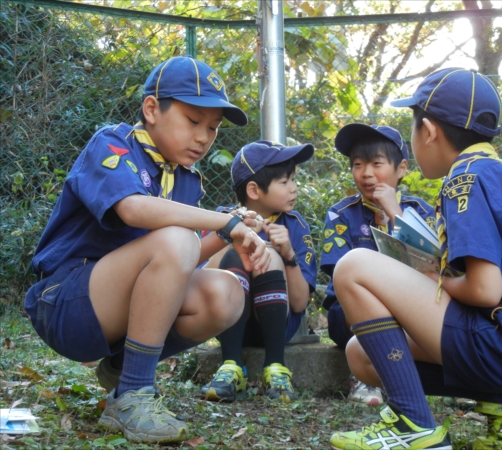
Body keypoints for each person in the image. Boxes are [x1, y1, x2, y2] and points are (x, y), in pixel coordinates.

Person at [23, 56, 271, 444]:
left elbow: (184, 260)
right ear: (152, 109)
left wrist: (228, 236)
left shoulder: (188, 181)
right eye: (193, 121)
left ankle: (121, 368)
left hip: (117, 310)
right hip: (66, 303)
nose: (204, 137)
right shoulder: (113, 143)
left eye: (213, 128)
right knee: (176, 238)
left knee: (224, 294)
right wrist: (224, 220)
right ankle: (135, 394)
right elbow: (133, 208)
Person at [329, 67, 502, 450]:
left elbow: (484, 289)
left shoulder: (465, 178)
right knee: (362, 355)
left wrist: (432, 279)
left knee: (354, 266)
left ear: (428, 131)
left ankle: (414, 425)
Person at [319, 124, 435, 406]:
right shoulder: (340, 215)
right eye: (358, 164)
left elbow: (434, 267)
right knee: (356, 299)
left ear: (401, 168)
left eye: (376, 163)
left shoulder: (420, 212)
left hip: (411, 304)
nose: (366, 173)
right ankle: (363, 377)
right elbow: (339, 273)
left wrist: (394, 213)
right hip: (351, 311)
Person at [200, 140, 317, 403]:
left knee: (270, 254)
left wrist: (288, 254)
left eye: (294, 180)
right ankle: (231, 366)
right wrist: (230, 236)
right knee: (238, 250)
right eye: (285, 182)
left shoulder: (295, 226)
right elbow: (201, 282)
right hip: (226, 320)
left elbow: (299, 303)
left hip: (277, 324)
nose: (294, 188)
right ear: (254, 189)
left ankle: (276, 368)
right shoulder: (220, 219)